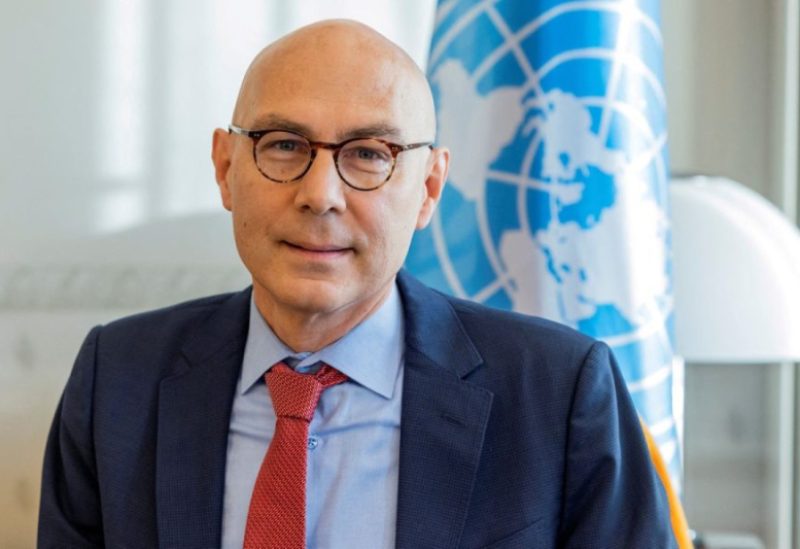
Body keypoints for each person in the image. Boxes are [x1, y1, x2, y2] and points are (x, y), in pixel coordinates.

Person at [38, 19, 689, 549]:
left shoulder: (559, 392)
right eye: (285, 144)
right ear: (226, 166)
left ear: (429, 187)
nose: (320, 195)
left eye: (369, 154)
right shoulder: (116, 381)